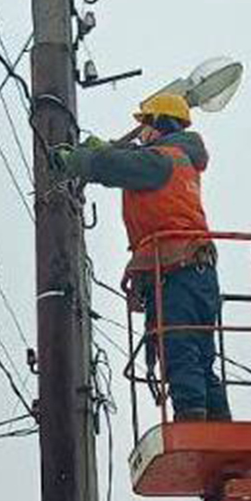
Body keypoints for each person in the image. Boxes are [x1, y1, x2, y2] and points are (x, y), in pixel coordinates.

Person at [59, 93, 230, 422]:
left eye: (145, 126)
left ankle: (192, 423)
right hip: (199, 271)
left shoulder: (160, 161)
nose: (142, 134)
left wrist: (75, 160)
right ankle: (219, 424)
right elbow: (131, 159)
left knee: (178, 347)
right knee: (200, 354)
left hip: (175, 270)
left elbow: (114, 167)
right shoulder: (181, 159)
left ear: (159, 124)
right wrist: (106, 148)